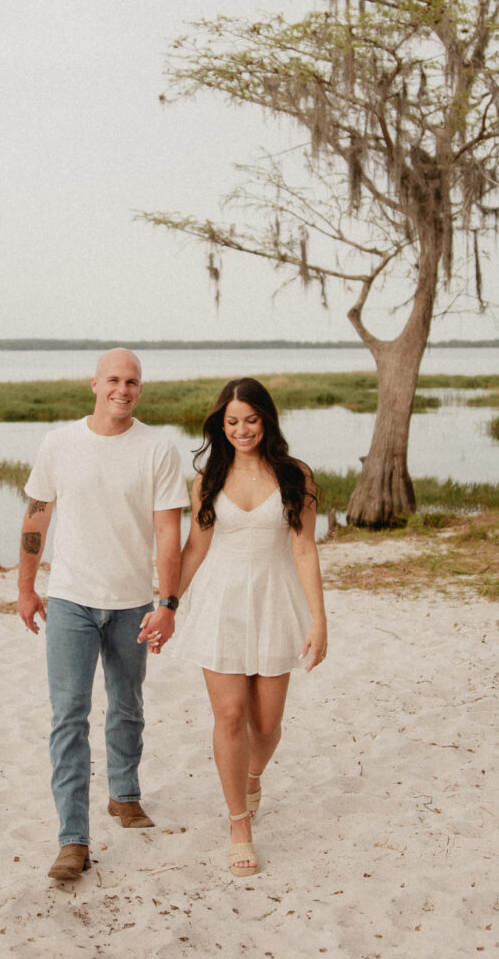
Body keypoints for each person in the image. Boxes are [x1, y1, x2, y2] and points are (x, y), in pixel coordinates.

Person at [18, 348, 189, 881]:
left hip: (132, 603)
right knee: (69, 716)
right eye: (114, 379)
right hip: (69, 600)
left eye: (133, 381)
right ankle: (73, 839)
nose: (123, 389)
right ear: (93, 384)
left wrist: (167, 603)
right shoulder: (59, 444)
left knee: (128, 705)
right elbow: (36, 518)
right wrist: (26, 587)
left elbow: (168, 531)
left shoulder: (157, 449)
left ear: (141, 388)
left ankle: (124, 794)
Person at [172, 377, 327, 876]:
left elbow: (304, 548)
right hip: (220, 605)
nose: (242, 430)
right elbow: (195, 547)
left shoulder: (295, 474)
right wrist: (167, 603)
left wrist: (319, 620)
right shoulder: (207, 477)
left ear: (267, 420)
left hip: (275, 602)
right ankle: (239, 823)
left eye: (251, 420)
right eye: (232, 421)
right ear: (222, 424)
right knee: (231, 717)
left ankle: (253, 775)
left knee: (266, 724)